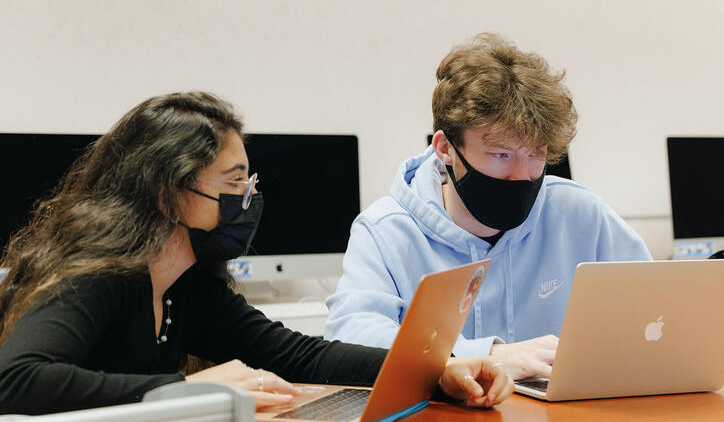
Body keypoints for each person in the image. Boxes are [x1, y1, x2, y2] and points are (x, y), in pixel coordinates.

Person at [0, 92, 514, 415]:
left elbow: (297, 353)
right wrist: (189, 388)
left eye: (250, 182)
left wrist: (440, 368)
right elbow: (17, 380)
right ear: (167, 194)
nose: (248, 199)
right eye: (233, 183)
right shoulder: (95, 275)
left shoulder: (186, 284)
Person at [324, 33, 652, 380]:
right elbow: (350, 340)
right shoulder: (385, 230)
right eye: (501, 155)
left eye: (535, 155)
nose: (521, 176)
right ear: (445, 148)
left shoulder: (579, 213)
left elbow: (655, 308)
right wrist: (485, 356)